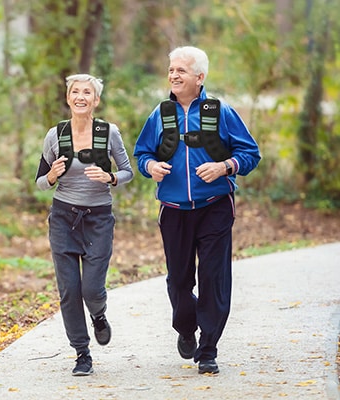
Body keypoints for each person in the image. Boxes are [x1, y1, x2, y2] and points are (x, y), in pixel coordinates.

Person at [134, 46, 260, 375]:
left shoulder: (221, 112)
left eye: (181, 71)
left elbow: (250, 154)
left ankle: (208, 349)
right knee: (178, 281)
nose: (174, 75)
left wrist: (225, 167)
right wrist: (151, 167)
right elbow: (142, 153)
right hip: (173, 209)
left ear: (199, 77)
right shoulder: (159, 115)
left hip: (215, 207)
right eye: (171, 69)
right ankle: (186, 328)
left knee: (213, 278)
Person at [35, 74, 133, 376]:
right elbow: (40, 183)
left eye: (87, 92)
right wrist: (51, 175)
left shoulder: (108, 132)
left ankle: (99, 315)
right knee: (68, 289)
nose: (80, 96)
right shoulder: (56, 135)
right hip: (64, 218)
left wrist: (111, 177)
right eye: (75, 92)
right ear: (68, 98)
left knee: (91, 288)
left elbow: (128, 171)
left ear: (96, 100)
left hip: (99, 219)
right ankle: (81, 352)